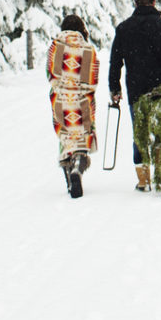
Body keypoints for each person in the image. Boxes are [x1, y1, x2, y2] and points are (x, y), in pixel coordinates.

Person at [110, 0, 161, 192]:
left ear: (136, 4)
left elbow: (115, 62)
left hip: (136, 90)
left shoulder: (124, 29)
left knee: (140, 132)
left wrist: (114, 88)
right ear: (154, 3)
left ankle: (144, 179)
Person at [46, 14, 100, 199]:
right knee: (82, 136)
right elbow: (92, 79)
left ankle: (70, 177)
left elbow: (51, 74)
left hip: (61, 99)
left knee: (66, 136)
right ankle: (79, 164)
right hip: (82, 99)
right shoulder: (88, 48)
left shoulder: (56, 46)